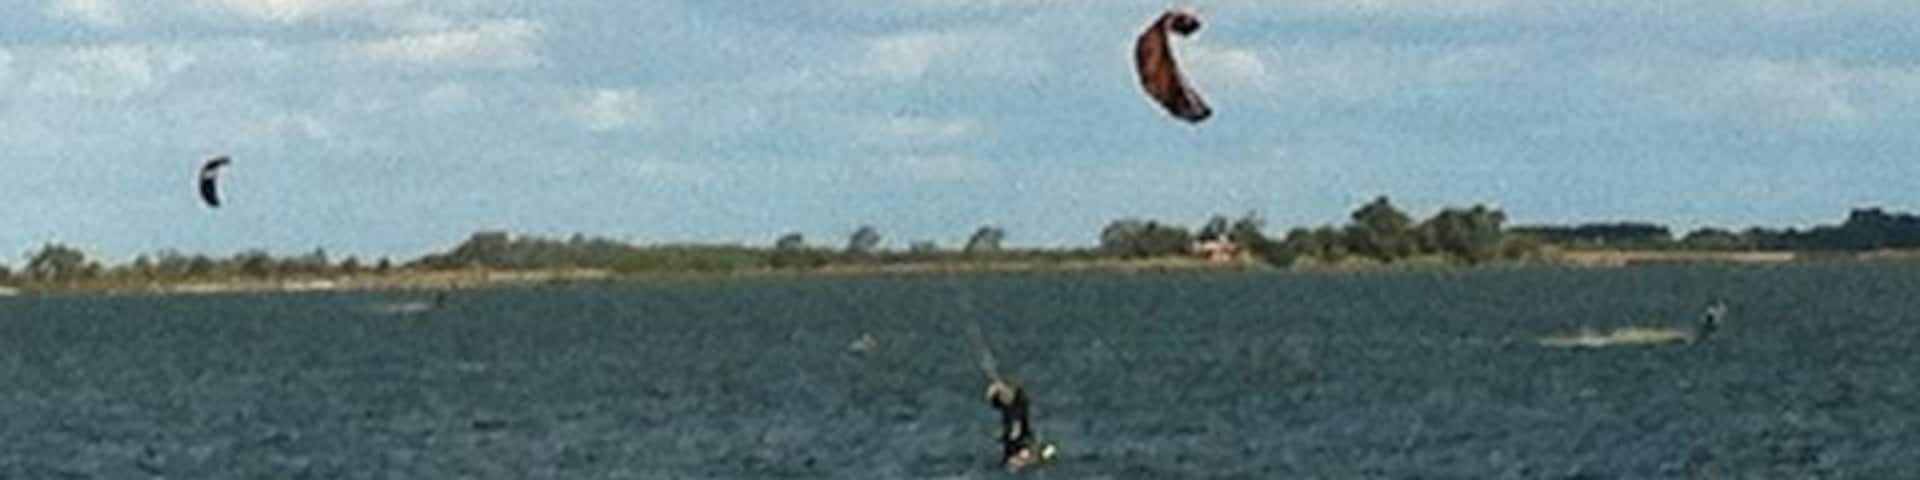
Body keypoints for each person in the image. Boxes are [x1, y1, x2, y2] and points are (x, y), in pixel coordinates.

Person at [986, 379, 1055, 472]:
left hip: (1021, 444)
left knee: (1022, 455)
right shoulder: (1011, 407)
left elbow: (1016, 431)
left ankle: (1037, 454)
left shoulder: (1017, 409)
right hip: (1019, 445)